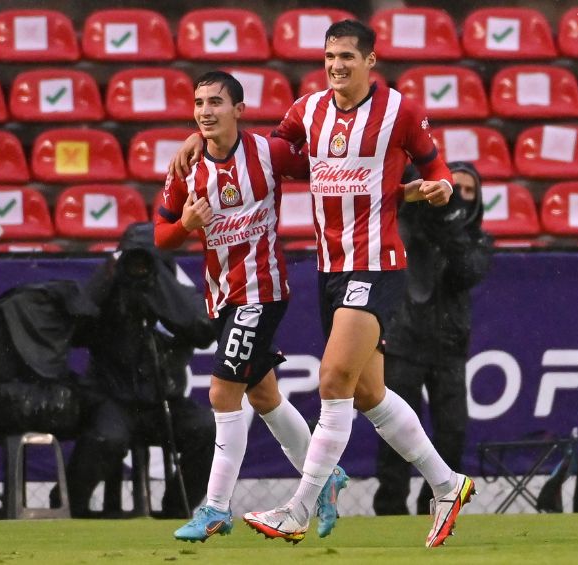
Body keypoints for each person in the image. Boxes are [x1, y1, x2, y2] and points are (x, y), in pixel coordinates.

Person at [171, 20, 475, 548]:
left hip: (376, 262)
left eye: (348, 57)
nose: (336, 65)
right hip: (330, 268)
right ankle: (448, 485)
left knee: (333, 380)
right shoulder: (306, 111)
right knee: (368, 392)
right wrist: (204, 136)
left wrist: (441, 185)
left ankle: (299, 507)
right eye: (330, 56)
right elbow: (264, 154)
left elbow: (434, 161)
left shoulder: (397, 111)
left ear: (370, 61)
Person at [155, 71, 348, 543]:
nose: (205, 111)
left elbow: (324, 157)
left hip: (262, 289)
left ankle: (215, 508)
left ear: (238, 110)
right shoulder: (186, 167)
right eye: (199, 103)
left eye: (216, 102)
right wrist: (185, 223)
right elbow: (160, 236)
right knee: (262, 395)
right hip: (221, 294)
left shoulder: (268, 151)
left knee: (223, 393)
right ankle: (325, 477)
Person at [64, 223, 217, 519]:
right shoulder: (106, 294)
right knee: (107, 439)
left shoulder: (177, 297)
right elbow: (74, 328)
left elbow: (202, 329)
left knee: (208, 429)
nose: (139, 267)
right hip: (113, 399)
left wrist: (160, 287)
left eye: (147, 260)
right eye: (132, 259)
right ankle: (70, 503)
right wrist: (107, 279)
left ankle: (176, 509)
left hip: (164, 402)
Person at [373, 161, 491, 516]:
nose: (462, 198)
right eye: (456, 188)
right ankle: (390, 508)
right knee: (396, 433)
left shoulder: (478, 240)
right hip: (404, 342)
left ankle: (434, 506)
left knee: (452, 433)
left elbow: (465, 273)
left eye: (470, 192)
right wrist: (429, 208)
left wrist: (450, 225)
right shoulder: (405, 224)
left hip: (450, 348)